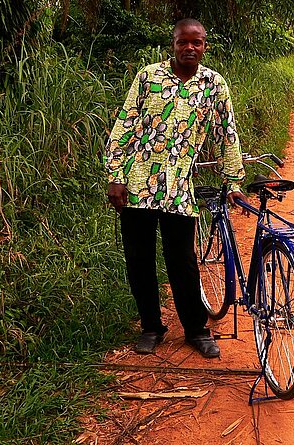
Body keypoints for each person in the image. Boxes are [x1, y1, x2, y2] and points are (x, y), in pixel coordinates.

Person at [104, 18, 246, 358]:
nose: (190, 48)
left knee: (182, 261)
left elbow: (226, 133)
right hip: (137, 184)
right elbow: (124, 125)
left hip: (180, 188)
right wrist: (115, 176)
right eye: (183, 42)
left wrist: (233, 181)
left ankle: (196, 330)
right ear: (173, 44)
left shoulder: (214, 85)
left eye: (196, 42)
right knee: (139, 260)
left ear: (205, 45)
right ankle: (151, 327)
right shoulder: (148, 78)